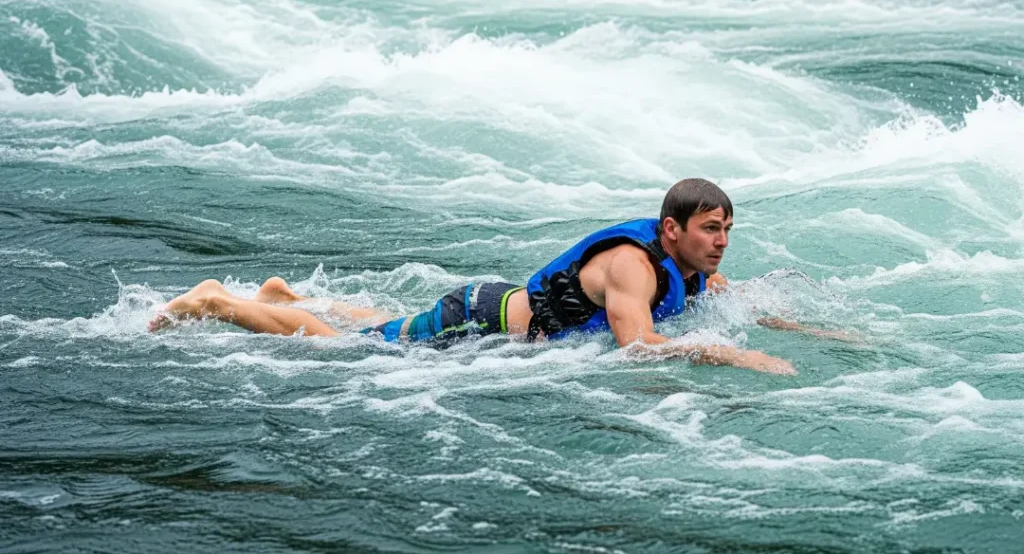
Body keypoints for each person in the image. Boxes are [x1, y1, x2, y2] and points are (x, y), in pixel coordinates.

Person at [150, 179, 837, 374]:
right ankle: (219, 302)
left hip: (497, 308)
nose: (720, 243)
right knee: (346, 347)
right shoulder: (633, 266)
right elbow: (638, 346)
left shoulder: (686, 263)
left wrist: (799, 326)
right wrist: (723, 352)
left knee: (374, 326)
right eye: (710, 230)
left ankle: (282, 295)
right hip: (474, 317)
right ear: (671, 230)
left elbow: (723, 296)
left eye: (726, 230)